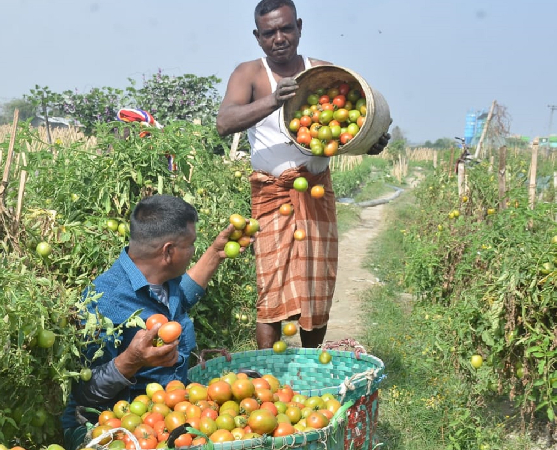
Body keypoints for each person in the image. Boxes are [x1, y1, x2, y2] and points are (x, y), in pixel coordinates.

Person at [216, 0, 389, 350]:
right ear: (258, 37)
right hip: (272, 195)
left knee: (316, 284)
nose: (279, 38)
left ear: (299, 26)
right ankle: (268, 377)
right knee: (272, 286)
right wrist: (272, 101)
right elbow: (224, 123)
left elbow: (346, 126)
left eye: (286, 29)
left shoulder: (321, 72)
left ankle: (311, 366)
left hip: (314, 192)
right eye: (269, 33)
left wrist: (369, 141)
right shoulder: (249, 74)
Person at [61, 195, 236, 450]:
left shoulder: (164, 281)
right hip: (105, 426)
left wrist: (215, 253)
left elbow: (180, 299)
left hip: (156, 415)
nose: (193, 252)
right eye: (191, 245)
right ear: (168, 251)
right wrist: (131, 361)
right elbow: (82, 393)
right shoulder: (102, 304)